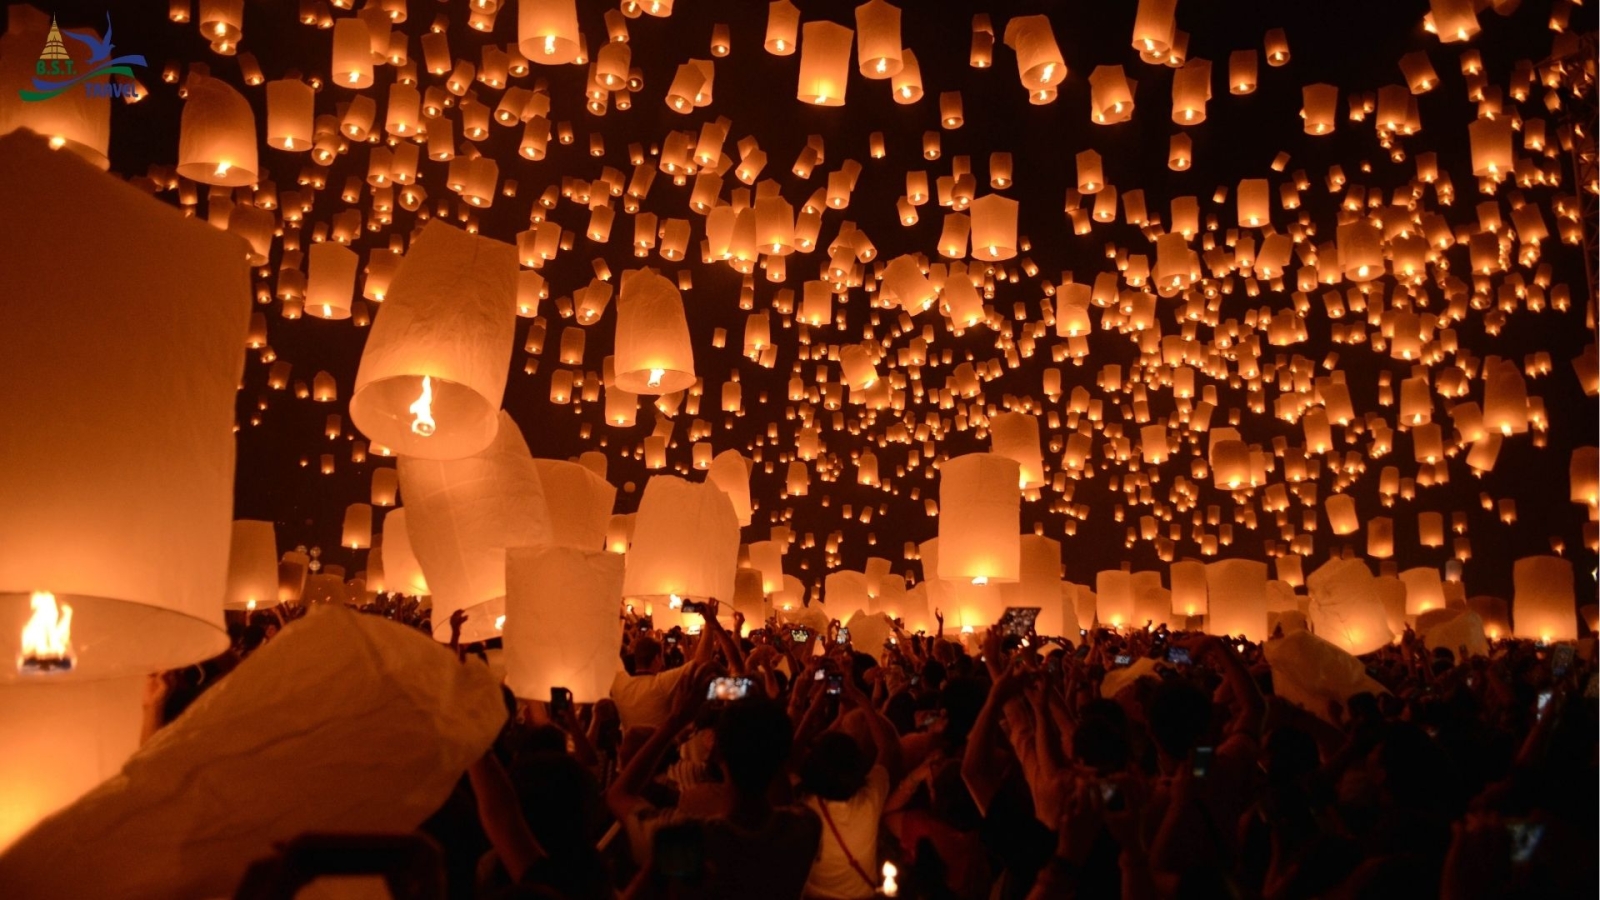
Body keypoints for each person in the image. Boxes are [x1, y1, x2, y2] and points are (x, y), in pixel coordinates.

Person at [608, 656, 822, 899]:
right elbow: (779, 786)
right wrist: (763, 708)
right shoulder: (805, 828)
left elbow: (619, 794)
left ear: (717, 751)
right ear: (784, 754)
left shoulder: (690, 839)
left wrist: (676, 720)